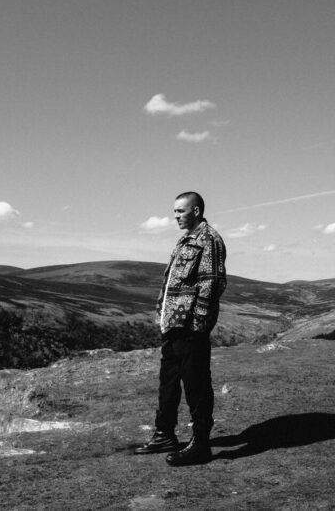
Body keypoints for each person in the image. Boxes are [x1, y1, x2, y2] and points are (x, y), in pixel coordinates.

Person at [134, 191, 227, 466]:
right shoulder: (185, 239)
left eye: (180, 211)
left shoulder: (209, 239)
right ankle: (164, 434)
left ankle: (200, 444)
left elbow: (211, 283)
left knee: (196, 383)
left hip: (190, 326)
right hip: (173, 323)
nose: (175, 216)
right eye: (174, 211)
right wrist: (162, 314)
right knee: (169, 380)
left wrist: (198, 322)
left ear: (196, 211)